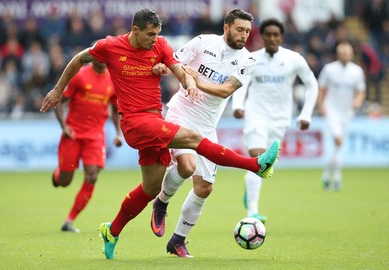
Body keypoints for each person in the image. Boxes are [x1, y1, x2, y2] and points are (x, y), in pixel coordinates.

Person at [40, 8, 280, 260]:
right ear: (135, 30)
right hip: (135, 123)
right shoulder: (111, 46)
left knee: (150, 188)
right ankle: (255, 165)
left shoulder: (161, 45)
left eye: (158, 34)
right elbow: (79, 58)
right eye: (150, 34)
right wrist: (58, 90)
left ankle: (112, 231)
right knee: (194, 141)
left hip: (155, 120)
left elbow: (177, 68)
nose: (155, 39)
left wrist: (190, 84)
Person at [150, 9, 263, 258]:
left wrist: (194, 80)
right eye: (239, 29)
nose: (244, 35)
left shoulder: (248, 59)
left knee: (204, 188)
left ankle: (177, 240)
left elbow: (225, 91)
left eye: (247, 31)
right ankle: (162, 201)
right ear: (226, 27)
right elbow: (174, 63)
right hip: (180, 114)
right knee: (187, 167)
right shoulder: (203, 42)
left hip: (207, 125)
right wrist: (164, 69)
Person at [231, 18, 318, 222]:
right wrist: (238, 105)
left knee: (265, 166)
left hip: (280, 119)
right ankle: (252, 211)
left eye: (275, 35)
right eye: (268, 34)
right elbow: (241, 83)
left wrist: (306, 114)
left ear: (281, 37)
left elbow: (312, 84)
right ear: (262, 37)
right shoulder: (252, 58)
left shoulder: (294, 59)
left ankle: (249, 187)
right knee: (258, 159)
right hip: (255, 115)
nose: (271, 38)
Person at [52, 59, 122, 233]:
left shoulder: (112, 79)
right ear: (93, 57)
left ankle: (69, 220)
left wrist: (119, 133)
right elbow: (58, 99)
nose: (103, 59)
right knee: (64, 182)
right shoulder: (79, 75)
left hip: (96, 136)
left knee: (92, 176)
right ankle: (58, 175)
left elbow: (115, 109)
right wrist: (63, 125)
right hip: (73, 134)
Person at [317, 41, 366, 191]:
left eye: (347, 53)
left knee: (338, 147)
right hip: (332, 110)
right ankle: (337, 177)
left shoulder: (357, 71)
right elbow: (321, 89)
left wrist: (357, 101)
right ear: (338, 55)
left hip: (347, 112)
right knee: (338, 140)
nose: (345, 56)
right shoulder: (329, 69)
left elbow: (361, 91)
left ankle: (326, 175)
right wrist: (321, 106)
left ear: (351, 54)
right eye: (342, 53)